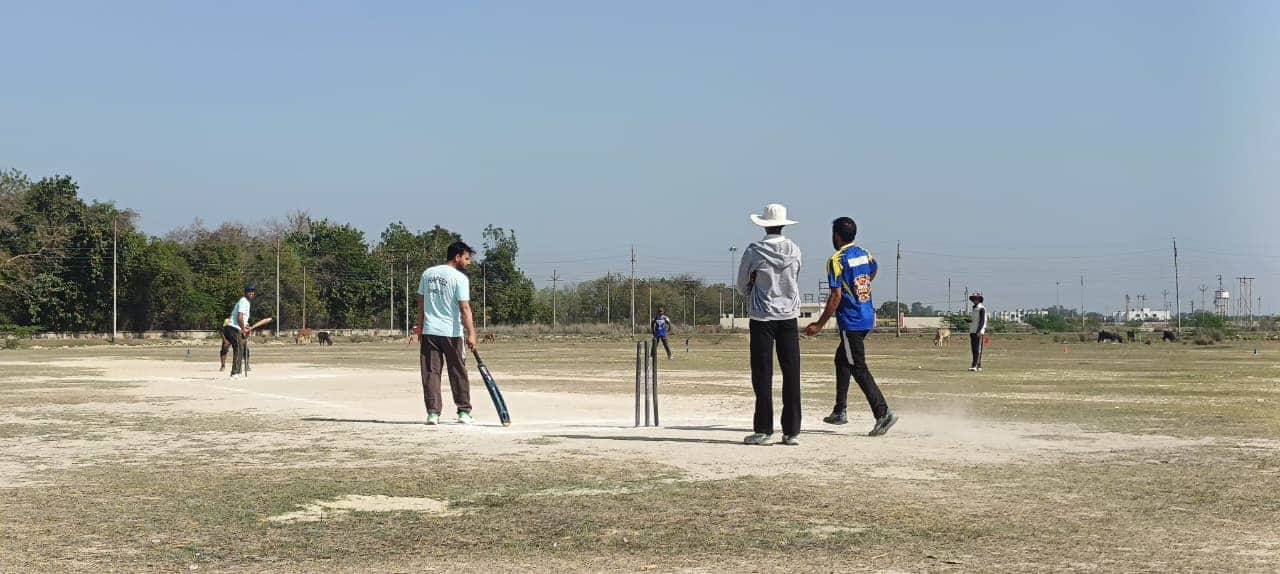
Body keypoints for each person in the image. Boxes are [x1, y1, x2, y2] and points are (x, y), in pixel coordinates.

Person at [804, 217, 897, 437]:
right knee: (842, 360)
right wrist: (860, 287)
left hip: (852, 321)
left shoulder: (836, 260)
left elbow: (835, 296)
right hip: (866, 316)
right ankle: (840, 410)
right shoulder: (865, 253)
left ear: (836, 235)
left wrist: (819, 324)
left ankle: (883, 413)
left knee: (858, 366)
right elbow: (873, 270)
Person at [737, 204, 803, 446]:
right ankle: (792, 431)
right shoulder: (794, 249)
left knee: (763, 375)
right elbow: (794, 277)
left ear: (763, 225)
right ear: (784, 224)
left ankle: (764, 430)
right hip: (788, 316)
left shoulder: (754, 251)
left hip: (762, 316)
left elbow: (741, 284)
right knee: (791, 373)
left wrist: (754, 285)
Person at [417, 241, 478, 425]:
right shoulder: (459, 278)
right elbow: (465, 308)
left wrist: (420, 327)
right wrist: (472, 333)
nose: (468, 263)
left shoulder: (427, 274)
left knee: (431, 372)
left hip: (429, 332)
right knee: (458, 371)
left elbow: (421, 302)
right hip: (451, 333)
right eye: (467, 259)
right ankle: (464, 411)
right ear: (457, 257)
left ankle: (433, 413)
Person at [223, 285, 256, 380]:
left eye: (253, 291)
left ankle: (237, 371)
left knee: (240, 348)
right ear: (245, 292)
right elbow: (239, 317)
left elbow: (243, 319)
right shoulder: (243, 301)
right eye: (249, 291)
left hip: (235, 328)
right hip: (232, 328)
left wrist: (246, 326)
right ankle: (234, 373)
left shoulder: (246, 303)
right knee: (239, 348)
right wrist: (243, 329)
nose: (251, 293)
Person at [968, 292, 988, 372]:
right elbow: (974, 320)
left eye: (976, 299)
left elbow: (982, 321)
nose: (974, 300)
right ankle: (977, 365)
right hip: (972, 330)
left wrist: (979, 331)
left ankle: (975, 365)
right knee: (974, 349)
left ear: (979, 300)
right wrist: (968, 321)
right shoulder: (974, 308)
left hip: (978, 331)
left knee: (977, 349)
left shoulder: (981, 308)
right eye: (973, 299)